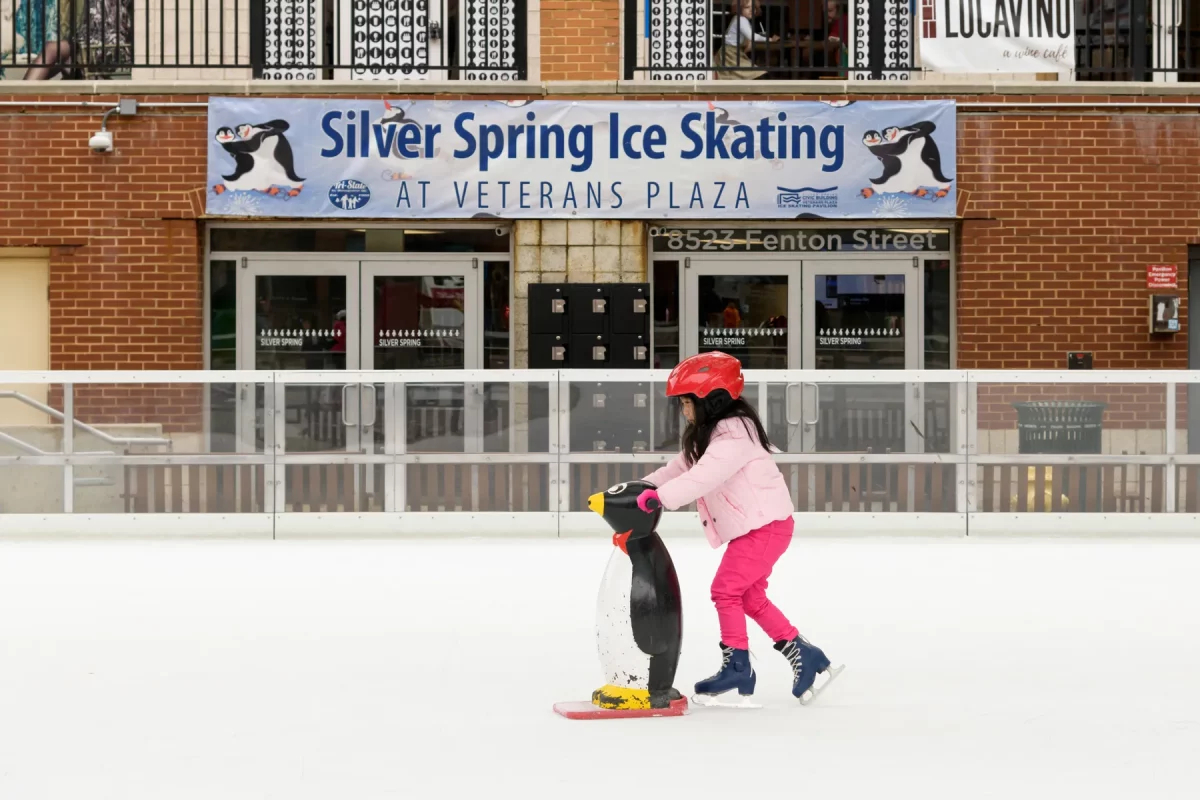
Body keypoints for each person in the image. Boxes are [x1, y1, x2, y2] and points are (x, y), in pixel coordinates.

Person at [635, 351, 835, 704]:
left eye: (687, 402)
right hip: (761, 527)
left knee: (725, 590)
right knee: (750, 597)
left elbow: (701, 478)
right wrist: (640, 488)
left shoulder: (733, 439)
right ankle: (804, 654)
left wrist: (659, 499)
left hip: (766, 527)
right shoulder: (712, 435)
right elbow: (677, 470)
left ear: (711, 400)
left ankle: (738, 666)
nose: (683, 410)